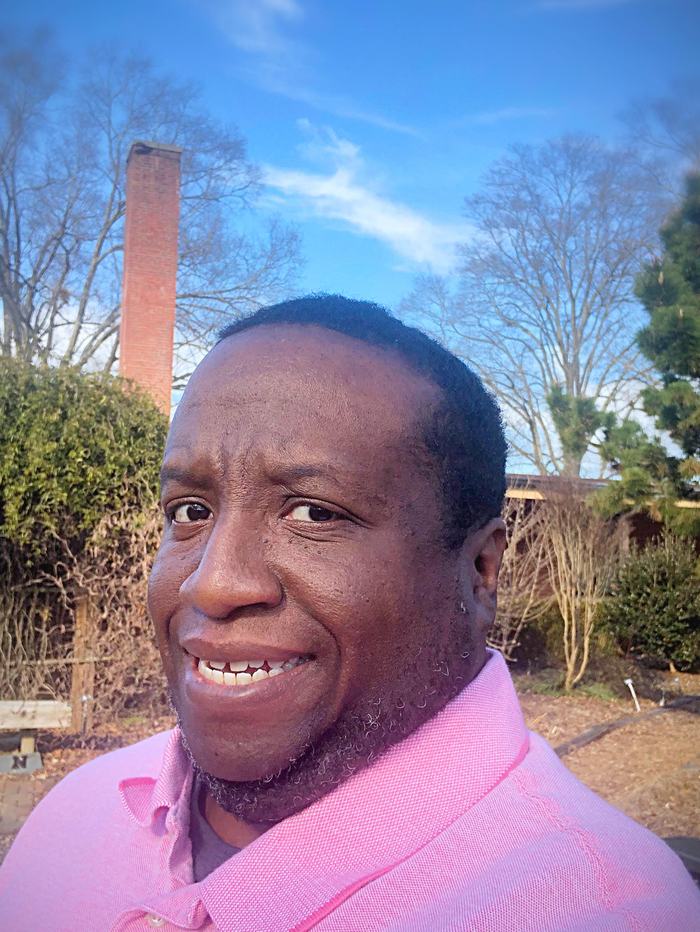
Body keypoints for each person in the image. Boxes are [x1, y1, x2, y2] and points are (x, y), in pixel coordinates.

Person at [1, 295, 698, 931]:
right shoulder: (75, 813)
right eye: (190, 511)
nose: (213, 585)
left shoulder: (602, 907)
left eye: (314, 513)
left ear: (481, 572)